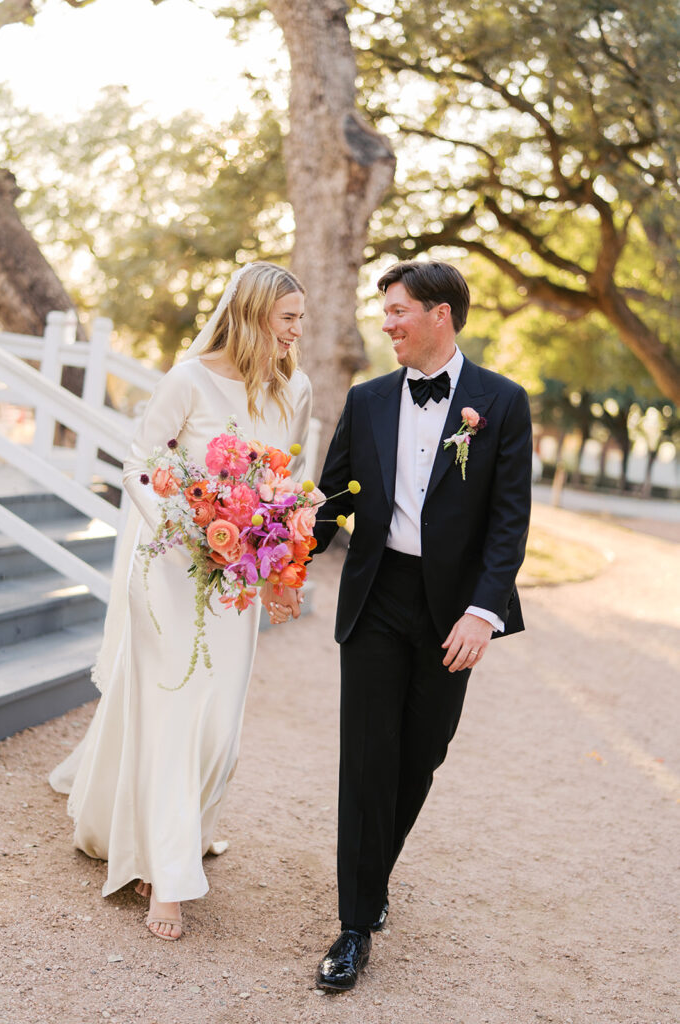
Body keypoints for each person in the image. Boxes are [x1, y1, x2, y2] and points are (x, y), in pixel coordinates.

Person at [50, 261, 311, 941]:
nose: (297, 331)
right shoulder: (188, 379)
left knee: (218, 720)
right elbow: (141, 457)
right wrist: (183, 523)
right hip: (170, 569)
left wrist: (281, 560)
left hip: (239, 580)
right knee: (172, 711)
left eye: (300, 320)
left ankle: (176, 827)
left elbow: (292, 480)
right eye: (288, 318)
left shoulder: (298, 389)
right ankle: (164, 873)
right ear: (254, 314)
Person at [310, 259, 532, 990]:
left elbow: (508, 522)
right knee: (365, 760)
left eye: (399, 310)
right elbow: (331, 497)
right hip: (375, 596)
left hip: (452, 611)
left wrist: (482, 612)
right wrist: (268, 548)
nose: (386, 323)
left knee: (419, 756)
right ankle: (352, 924)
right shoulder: (367, 398)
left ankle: (371, 883)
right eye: (386, 311)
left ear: (440, 314)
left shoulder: (501, 402)